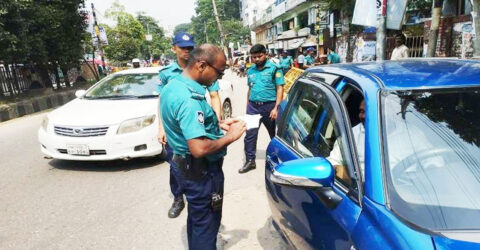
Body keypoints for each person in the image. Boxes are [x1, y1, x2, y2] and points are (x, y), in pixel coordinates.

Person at [161, 44, 246, 250]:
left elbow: (186, 125)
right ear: (201, 65)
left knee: (198, 219)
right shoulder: (189, 99)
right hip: (201, 171)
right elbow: (199, 148)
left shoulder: (174, 85)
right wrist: (232, 136)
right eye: (219, 71)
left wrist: (217, 124)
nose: (219, 77)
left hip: (187, 168)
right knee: (207, 223)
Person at [157, 32, 223, 219]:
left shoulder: (203, 69)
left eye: (189, 48)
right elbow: (162, 101)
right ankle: (178, 198)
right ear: (174, 48)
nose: (187, 51)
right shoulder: (167, 74)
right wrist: (161, 128)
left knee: (197, 169)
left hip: (196, 124)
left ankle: (198, 202)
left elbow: (214, 95)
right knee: (177, 164)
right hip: (177, 129)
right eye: (183, 47)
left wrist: (217, 122)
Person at [239, 44, 285, 174]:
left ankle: (279, 161)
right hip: (253, 107)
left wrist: (276, 108)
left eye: (259, 56)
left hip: (270, 107)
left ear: (265, 54)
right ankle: (250, 161)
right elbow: (250, 89)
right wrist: (247, 106)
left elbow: (280, 88)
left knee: (274, 135)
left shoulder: (274, 68)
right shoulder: (250, 71)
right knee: (250, 135)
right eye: (254, 57)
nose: (257, 59)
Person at [327, 100, 365, 181]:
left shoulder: (398, 139)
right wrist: (342, 172)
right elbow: (333, 161)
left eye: (369, 113)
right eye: (362, 111)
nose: (363, 116)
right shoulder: (351, 136)